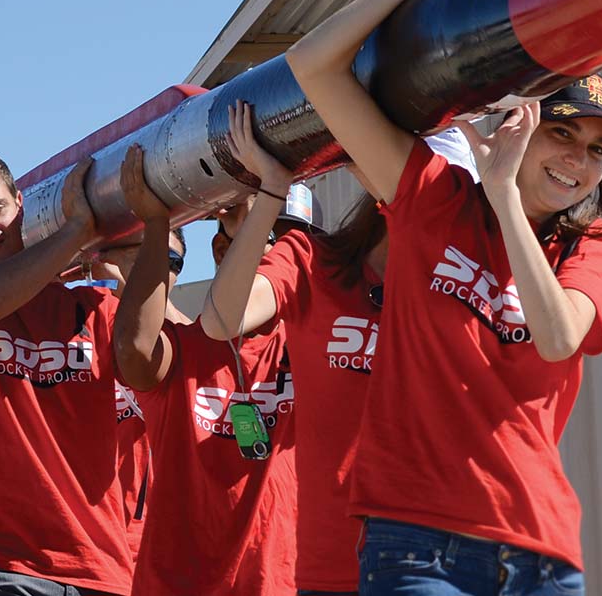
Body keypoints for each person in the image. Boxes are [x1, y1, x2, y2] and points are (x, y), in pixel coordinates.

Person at [285, 0, 602, 595]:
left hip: (540, 549)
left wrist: (505, 196)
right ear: (518, 124)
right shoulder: (433, 199)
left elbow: (557, 337)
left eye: (596, 151)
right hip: (418, 546)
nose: (578, 162)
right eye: (562, 134)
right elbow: (313, 68)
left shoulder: (594, 243)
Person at [201, 101, 478, 596]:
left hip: (437, 566)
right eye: (433, 190)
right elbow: (223, 320)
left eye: (457, 200)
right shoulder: (314, 261)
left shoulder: (467, 292)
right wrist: (270, 191)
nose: (443, 212)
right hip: (331, 566)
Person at [0, 147, 133, 596]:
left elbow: (167, 360)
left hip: (101, 566)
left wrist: (144, 248)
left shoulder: (91, 307)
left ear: (19, 202)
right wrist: (75, 232)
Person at [112, 144, 297, 596]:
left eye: (287, 249)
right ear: (221, 249)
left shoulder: (315, 345)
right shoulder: (185, 348)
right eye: (263, 243)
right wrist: (157, 226)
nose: (278, 265)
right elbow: (135, 350)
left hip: (285, 585)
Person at [86, 229, 192, 564]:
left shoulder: (188, 336)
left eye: (169, 261)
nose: (156, 268)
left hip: (156, 546)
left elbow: (198, 354)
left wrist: (143, 287)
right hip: (87, 541)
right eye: (141, 254)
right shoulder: (81, 322)